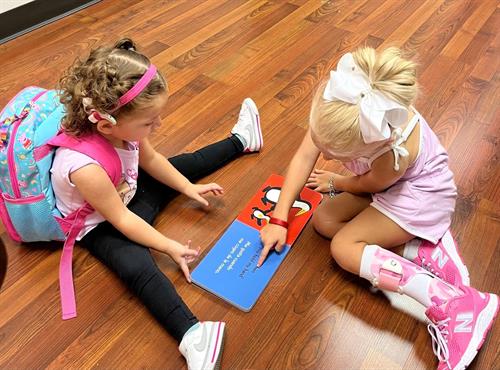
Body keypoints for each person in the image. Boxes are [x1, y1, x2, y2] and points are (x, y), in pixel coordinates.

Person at [258, 47, 497, 370]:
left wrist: (339, 182)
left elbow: (371, 185)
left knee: (343, 248)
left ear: (367, 146)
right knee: (325, 220)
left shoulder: (393, 149)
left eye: (332, 151)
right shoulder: (341, 107)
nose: (322, 152)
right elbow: (304, 156)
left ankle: (455, 305)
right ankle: (422, 247)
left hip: (422, 196)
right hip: (385, 186)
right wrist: (279, 217)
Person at [51, 38, 263, 370]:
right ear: (106, 124)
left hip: (125, 190)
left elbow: (151, 159)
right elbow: (121, 220)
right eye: (150, 123)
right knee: (136, 266)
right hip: (100, 222)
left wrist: (188, 188)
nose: (158, 126)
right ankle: (192, 334)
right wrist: (169, 246)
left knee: (184, 164)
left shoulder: (121, 125)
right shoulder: (83, 167)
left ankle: (241, 141)